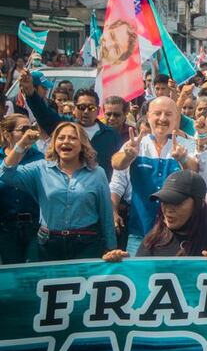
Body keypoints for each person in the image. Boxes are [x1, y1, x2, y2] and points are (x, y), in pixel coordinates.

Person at [0, 122, 115, 261]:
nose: (66, 141)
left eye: (72, 138)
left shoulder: (97, 173)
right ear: (54, 143)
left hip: (86, 243)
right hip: (49, 244)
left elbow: (106, 214)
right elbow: (5, 173)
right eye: (61, 138)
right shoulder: (40, 169)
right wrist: (22, 144)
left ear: (82, 144)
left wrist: (111, 248)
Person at [103, 170, 207, 262]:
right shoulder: (153, 240)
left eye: (176, 202)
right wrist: (123, 267)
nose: (168, 209)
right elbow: (140, 285)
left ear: (198, 204)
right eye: (164, 202)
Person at [111, 96, 195, 256]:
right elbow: (116, 164)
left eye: (168, 114)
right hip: (140, 233)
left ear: (176, 118)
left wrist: (183, 159)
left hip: (178, 236)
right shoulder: (135, 144)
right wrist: (128, 156)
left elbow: (195, 170)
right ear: (148, 116)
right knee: (138, 278)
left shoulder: (186, 146)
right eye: (157, 113)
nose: (162, 118)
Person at [20, 72, 122, 180]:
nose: (86, 111)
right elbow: (43, 113)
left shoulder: (111, 135)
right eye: (81, 107)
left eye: (91, 108)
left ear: (98, 111)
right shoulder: (64, 126)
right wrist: (30, 92)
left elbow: (119, 170)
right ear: (74, 109)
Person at [0, 115, 43, 263]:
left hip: (35, 226)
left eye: (31, 128)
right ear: (7, 134)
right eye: (23, 129)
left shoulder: (39, 158)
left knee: (33, 272)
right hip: (6, 228)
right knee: (12, 275)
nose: (29, 133)